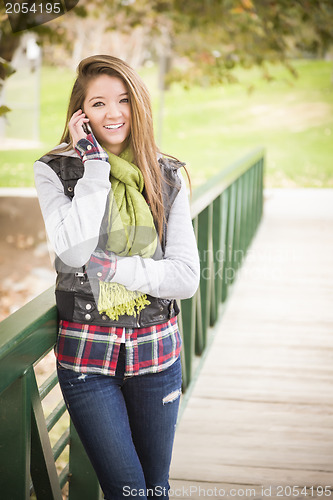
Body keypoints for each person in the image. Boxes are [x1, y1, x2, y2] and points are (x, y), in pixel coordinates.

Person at [34, 55, 200, 500]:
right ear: (81, 113)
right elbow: (73, 250)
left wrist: (115, 270)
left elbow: (184, 278)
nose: (113, 113)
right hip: (88, 360)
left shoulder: (167, 174)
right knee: (128, 492)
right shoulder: (56, 170)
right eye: (99, 103)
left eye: (123, 100)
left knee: (156, 490)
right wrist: (94, 167)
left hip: (157, 353)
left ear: (138, 105)